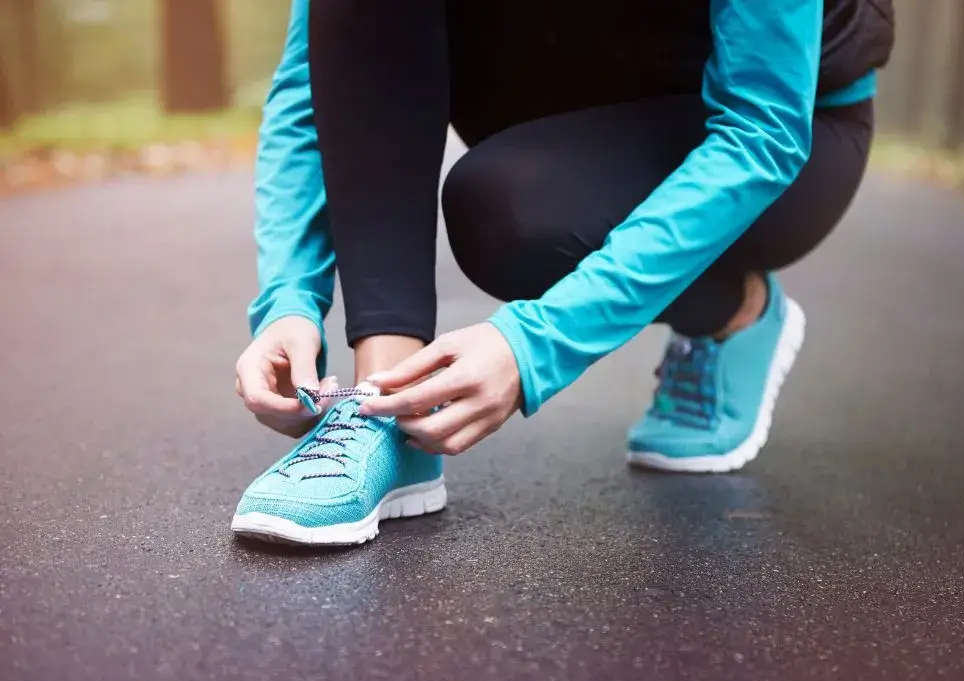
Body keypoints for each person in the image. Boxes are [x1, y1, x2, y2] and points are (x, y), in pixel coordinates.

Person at [231, 0, 894, 545]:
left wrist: (534, 345)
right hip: (561, 97)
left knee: (511, 221)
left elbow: (761, 133)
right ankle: (387, 406)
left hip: (781, 123)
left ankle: (736, 311)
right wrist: (290, 298)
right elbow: (315, 78)